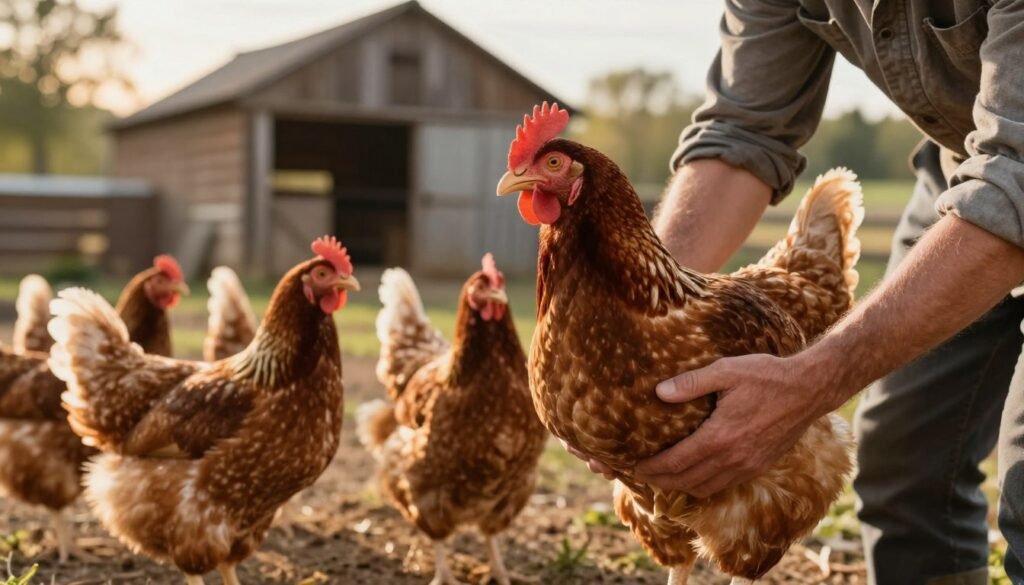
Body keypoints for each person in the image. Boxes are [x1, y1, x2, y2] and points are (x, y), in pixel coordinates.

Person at [569, 2, 1024, 584]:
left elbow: (1015, 175)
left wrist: (813, 381)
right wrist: (634, 319)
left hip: (1011, 170)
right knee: (907, 464)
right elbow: (742, 130)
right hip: (967, 167)